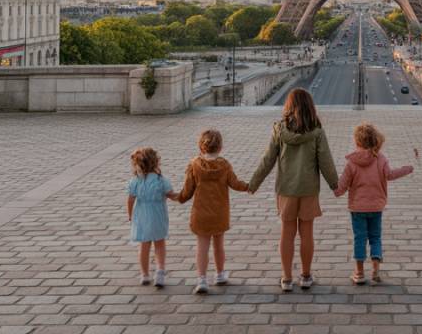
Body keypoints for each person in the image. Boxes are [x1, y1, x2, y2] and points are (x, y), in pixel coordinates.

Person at [249, 88, 338, 292]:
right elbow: (326, 161)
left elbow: (268, 160)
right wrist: (335, 184)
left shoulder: (279, 130)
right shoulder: (317, 131)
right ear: (310, 107)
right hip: (308, 189)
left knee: (287, 233)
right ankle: (306, 276)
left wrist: (253, 183)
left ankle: (287, 277)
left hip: (286, 189)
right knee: (307, 233)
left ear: (288, 107)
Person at [333, 122, 413, 285]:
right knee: (375, 237)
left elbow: (341, 187)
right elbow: (390, 175)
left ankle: (359, 273)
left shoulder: (352, 163)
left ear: (357, 142)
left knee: (359, 238)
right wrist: (407, 169)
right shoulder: (381, 159)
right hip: (376, 207)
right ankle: (375, 269)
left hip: (357, 208)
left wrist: (334, 188)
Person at [177, 129, 250, 294]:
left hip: (200, 214)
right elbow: (235, 183)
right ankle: (219, 274)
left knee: (202, 247)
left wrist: (178, 197)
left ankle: (202, 279)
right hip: (220, 213)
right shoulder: (224, 165)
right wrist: (248, 186)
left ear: (201, 147)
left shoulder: (194, 165)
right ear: (220, 148)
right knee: (219, 246)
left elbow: (187, 191)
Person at [126, 146, 177, 288]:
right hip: (158, 216)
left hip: (141, 217)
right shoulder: (161, 180)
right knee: (160, 244)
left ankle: (144, 275)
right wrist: (183, 196)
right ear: (156, 162)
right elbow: (171, 195)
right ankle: (160, 272)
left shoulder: (135, 180)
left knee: (144, 246)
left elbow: (130, 200)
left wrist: (131, 216)